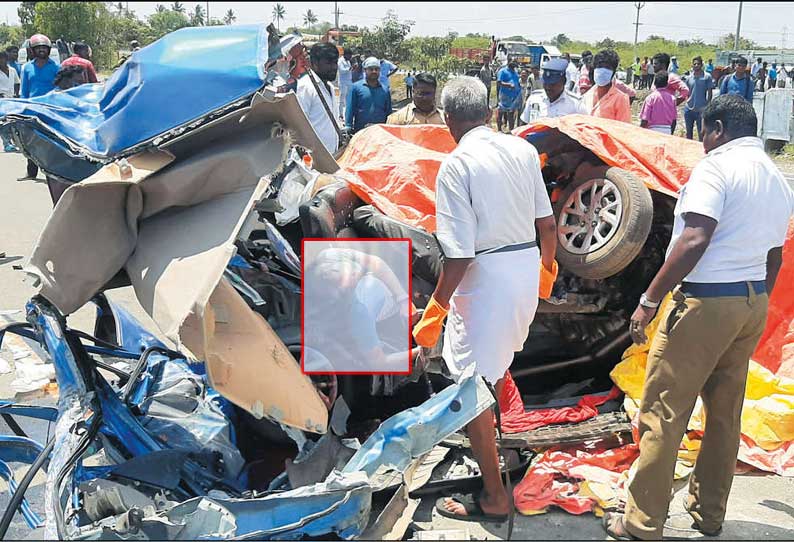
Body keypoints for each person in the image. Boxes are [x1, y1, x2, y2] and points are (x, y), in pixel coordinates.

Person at [603, 94, 794, 541]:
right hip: (749, 302)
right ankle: (709, 514)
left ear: (718, 128)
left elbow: (694, 238)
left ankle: (642, 522)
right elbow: (775, 253)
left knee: (663, 411)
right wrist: (756, 299)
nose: (702, 142)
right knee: (725, 414)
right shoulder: (776, 177)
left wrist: (650, 299)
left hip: (705, 302)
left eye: (704, 132)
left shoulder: (716, 168)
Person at [412, 75, 558, 523]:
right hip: (524, 269)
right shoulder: (522, 150)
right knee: (492, 374)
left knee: (473, 387)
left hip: (488, 279)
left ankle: (495, 497)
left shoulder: (457, 164)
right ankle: (493, 456)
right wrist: (545, 275)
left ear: (449, 119)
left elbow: (458, 257)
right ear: (490, 113)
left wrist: (432, 315)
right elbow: (548, 226)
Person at [304, 245, 418, 377]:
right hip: (388, 318)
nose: (350, 273)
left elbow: (376, 262)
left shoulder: (329, 255)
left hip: (392, 287)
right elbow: (379, 363)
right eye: (342, 281)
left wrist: (403, 299)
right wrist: (418, 352)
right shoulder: (359, 315)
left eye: (340, 270)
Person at [19, 34, 59, 182]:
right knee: (30, 142)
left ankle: (52, 173)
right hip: (32, 109)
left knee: (51, 141)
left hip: (50, 109)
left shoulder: (56, 67)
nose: (41, 50)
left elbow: (60, 88)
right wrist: (23, 108)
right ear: (32, 50)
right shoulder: (27, 68)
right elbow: (24, 90)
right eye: (38, 48)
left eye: (44, 48)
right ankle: (31, 172)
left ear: (48, 50)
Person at [296, 42, 340, 154]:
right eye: (329, 63)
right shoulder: (306, 87)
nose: (334, 67)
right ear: (314, 63)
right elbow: (298, 127)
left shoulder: (330, 87)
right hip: (313, 163)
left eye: (335, 62)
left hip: (331, 157)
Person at [520, 58, 585, 124]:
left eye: (552, 84)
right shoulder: (534, 99)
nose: (548, 88)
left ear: (564, 81)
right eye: (545, 83)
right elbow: (523, 127)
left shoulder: (576, 105)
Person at [581, 49, 631, 123]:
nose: (602, 71)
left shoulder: (621, 99)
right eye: (599, 66)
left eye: (607, 67)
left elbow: (624, 129)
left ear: (613, 72)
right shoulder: (587, 96)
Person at [346, 57, 392, 133]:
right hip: (361, 131)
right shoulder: (356, 87)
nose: (374, 71)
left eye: (376, 69)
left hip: (380, 132)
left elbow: (389, 112)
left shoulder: (385, 90)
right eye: (371, 69)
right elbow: (350, 109)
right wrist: (348, 125)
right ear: (364, 70)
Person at [684, 56, 714, 141]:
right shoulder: (689, 78)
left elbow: (710, 92)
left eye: (698, 64)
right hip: (689, 109)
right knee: (688, 133)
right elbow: (687, 92)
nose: (696, 65)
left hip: (701, 109)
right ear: (692, 65)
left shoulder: (707, 77)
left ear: (701, 65)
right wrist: (687, 102)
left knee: (701, 133)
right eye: (694, 64)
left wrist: (707, 106)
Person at [0, 51, 20, 152]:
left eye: (3, 58)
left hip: (12, 99)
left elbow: (17, 83)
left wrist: (17, 94)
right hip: (1, 100)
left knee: (13, 122)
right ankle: (7, 143)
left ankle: (15, 142)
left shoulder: (12, 70)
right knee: (3, 123)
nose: (1, 61)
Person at [496, 61, 521, 132]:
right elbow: (499, 82)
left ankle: (511, 130)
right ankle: (499, 129)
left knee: (511, 113)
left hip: (513, 96)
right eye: (513, 64)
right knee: (501, 111)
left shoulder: (515, 72)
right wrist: (508, 85)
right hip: (505, 95)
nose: (514, 66)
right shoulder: (503, 71)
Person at [336, 48, 353, 120]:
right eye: (350, 56)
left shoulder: (348, 61)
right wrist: (350, 68)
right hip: (343, 82)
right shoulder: (340, 61)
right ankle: (340, 115)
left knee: (348, 99)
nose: (350, 57)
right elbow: (342, 70)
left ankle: (347, 115)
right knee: (342, 100)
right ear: (346, 55)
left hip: (349, 82)